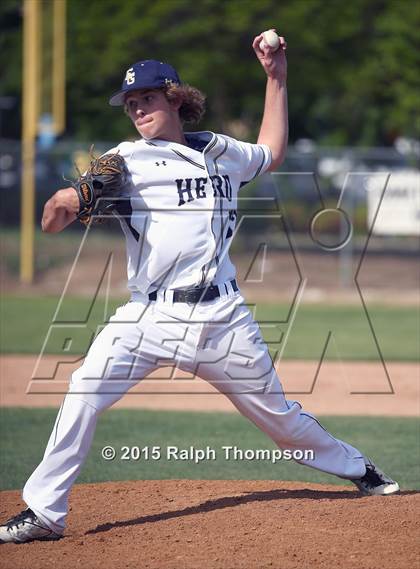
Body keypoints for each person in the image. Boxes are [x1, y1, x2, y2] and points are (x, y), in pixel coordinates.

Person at [0, 31, 399, 544]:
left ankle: (359, 469)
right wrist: (72, 196)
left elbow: (271, 152)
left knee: (280, 422)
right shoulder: (125, 161)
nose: (137, 109)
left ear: (174, 97)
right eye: (130, 103)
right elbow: (54, 219)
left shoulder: (220, 149)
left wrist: (275, 76)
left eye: (146, 97)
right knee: (83, 390)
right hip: (148, 318)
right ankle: (44, 512)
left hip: (223, 319)